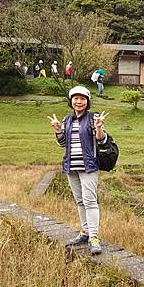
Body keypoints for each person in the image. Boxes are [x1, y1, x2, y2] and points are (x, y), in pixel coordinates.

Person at [48, 86, 109, 255]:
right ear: (71, 101)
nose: (79, 101)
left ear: (87, 101)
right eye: (75, 98)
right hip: (71, 166)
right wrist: (58, 130)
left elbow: (102, 140)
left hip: (88, 166)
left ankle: (94, 237)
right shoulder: (67, 120)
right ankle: (85, 232)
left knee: (90, 201)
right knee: (80, 201)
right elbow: (63, 144)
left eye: (82, 98)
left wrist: (98, 127)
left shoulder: (92, 118)